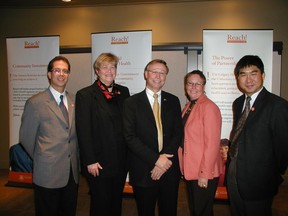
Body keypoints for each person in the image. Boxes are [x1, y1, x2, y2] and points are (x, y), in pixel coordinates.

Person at [227, 55, 288, 216]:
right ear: (237, 78)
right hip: (234, 174)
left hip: (259, 181)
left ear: (263, 75)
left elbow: (284, 148)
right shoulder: (238, 103)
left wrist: (271, 173)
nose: (248, 79)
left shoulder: (277, 106)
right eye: (243, 74)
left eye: (253, 73)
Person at [19, 56, 80, 216]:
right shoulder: (35, 103)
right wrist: (43, 157)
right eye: (57, 70)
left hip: (71, 173)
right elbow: (26, 138)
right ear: (49, 74)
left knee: (68, 211)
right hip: (47, 172)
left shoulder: (75, 99)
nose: (61, 74)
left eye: (65, 71)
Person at [123, 59, 183, 216]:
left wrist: (163, 161)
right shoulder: (131, 102)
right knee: (145, 211)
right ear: (146, 74)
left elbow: (178, 133)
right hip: (143, 170)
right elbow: (130, 137)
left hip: (169, 169)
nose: (158, 76)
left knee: (169, 211)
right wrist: (156, 160)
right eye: (154, 71)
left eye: (162, 73)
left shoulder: (173, 100)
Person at [75, 53, 130, 216]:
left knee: (116, 202)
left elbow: (128, 125)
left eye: (113, 66)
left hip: (120, 160)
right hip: (98, 163)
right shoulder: (85, 95)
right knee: (100, 204)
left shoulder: (123, 92)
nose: (109, 70)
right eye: (105, 67)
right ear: (97, 71)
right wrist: (90, 160)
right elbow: (83, 130)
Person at [178, 70, 222, 216]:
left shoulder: (209, 107)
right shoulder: (189, 106)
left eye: (198, 84)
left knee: (202, 210)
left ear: (204, 86)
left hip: (203, 171)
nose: (193, 87)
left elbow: (212, 144)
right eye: (190, 83)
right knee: (196, 209)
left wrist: (204, 173)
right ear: (186, 86)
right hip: (191, 168)